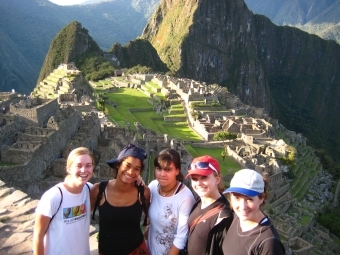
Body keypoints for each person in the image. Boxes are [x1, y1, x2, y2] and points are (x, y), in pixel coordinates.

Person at [90, 143, 151, 255]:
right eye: (127, 165)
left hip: (135, 251)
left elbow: (151, 217)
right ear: (118, 165)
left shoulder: (144, 192)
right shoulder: (99, 190)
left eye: (136, 169)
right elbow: (81, 214)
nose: (131, 172)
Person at [33, 147, 94, 255]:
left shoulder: (89, 190)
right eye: (78, 166)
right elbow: (38, 235)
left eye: (88, 165)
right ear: (69, 169)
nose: (84, 170)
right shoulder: (54, 196)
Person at [222, 169, 285, 255]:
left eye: (249, 199)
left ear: (261, 198)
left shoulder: (268, 243)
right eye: (237, 198)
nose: (243, 206)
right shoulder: (237, 218)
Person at [146, 148, 196, 255]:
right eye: (159, 168)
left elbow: (181, 236)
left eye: (168, 170)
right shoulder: (153, 186)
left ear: (177, 171)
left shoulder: (185, 197)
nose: (162, 174)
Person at [185, 155, 233, 255]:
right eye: (194, 179)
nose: (199, 183)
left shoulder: (226, 216)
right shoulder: (198, 203)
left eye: (204, 177)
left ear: (217, 179)